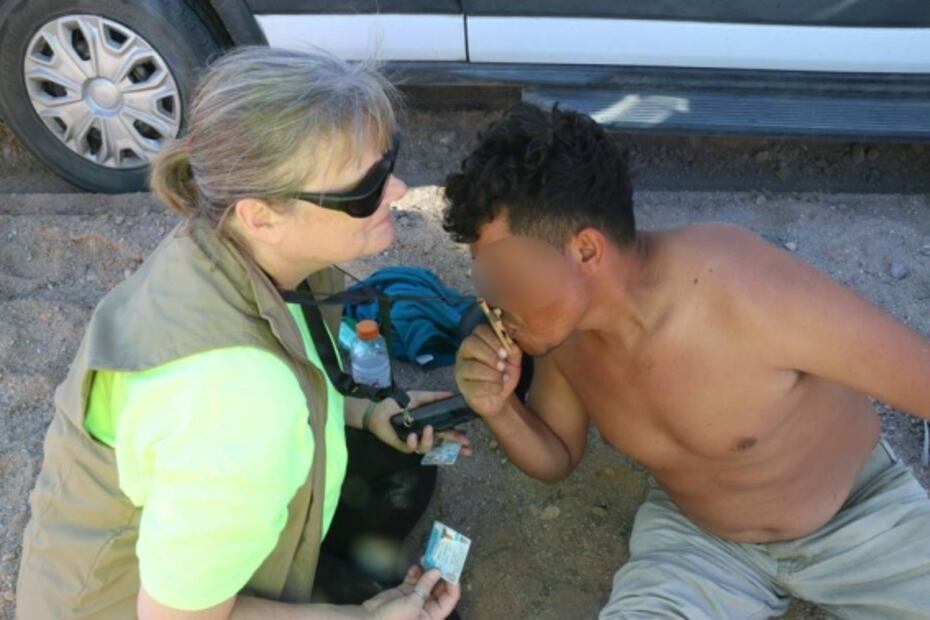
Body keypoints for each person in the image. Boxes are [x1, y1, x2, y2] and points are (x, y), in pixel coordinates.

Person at [16, 47, 465, 620]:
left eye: (389, 160)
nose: (398, 189)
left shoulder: (222, 246)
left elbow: (289, 367)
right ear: (262, 215)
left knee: (394, 463)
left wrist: (363, 414)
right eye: (366, 186)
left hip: (139, 557)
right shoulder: (239, 400)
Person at [446, 103, 930, 619]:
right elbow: (557, 456)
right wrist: (500, 408)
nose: (492, 302)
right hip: (699, 541)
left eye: (504, 275)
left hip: (859, 520)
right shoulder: (564, 333)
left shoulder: (743, 290)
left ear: (586, 251)